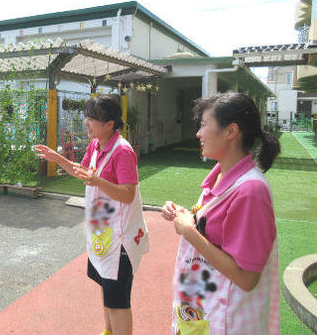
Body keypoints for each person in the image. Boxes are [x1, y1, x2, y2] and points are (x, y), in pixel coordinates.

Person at [161, 92, 281, 335]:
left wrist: (189, 230)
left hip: (227, 321)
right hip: (204, 312)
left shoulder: (250, 191)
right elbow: (216, 230)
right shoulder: (219, 176)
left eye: (204, 125)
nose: (198, 134)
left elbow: (247, 279)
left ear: (231, 131)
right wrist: (187, 216)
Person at [35, 95, 149, 335]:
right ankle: (108, 330)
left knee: (117, 300)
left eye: (92, 119)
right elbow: (82, 172)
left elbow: (128, 194)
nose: (86, 123)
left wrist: (96, 180)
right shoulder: (96, 145)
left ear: (109, 124)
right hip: (103, 232)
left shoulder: (123, 151)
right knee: (106, 287)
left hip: (120, 237)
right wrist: (56, 159)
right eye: (86, 117)